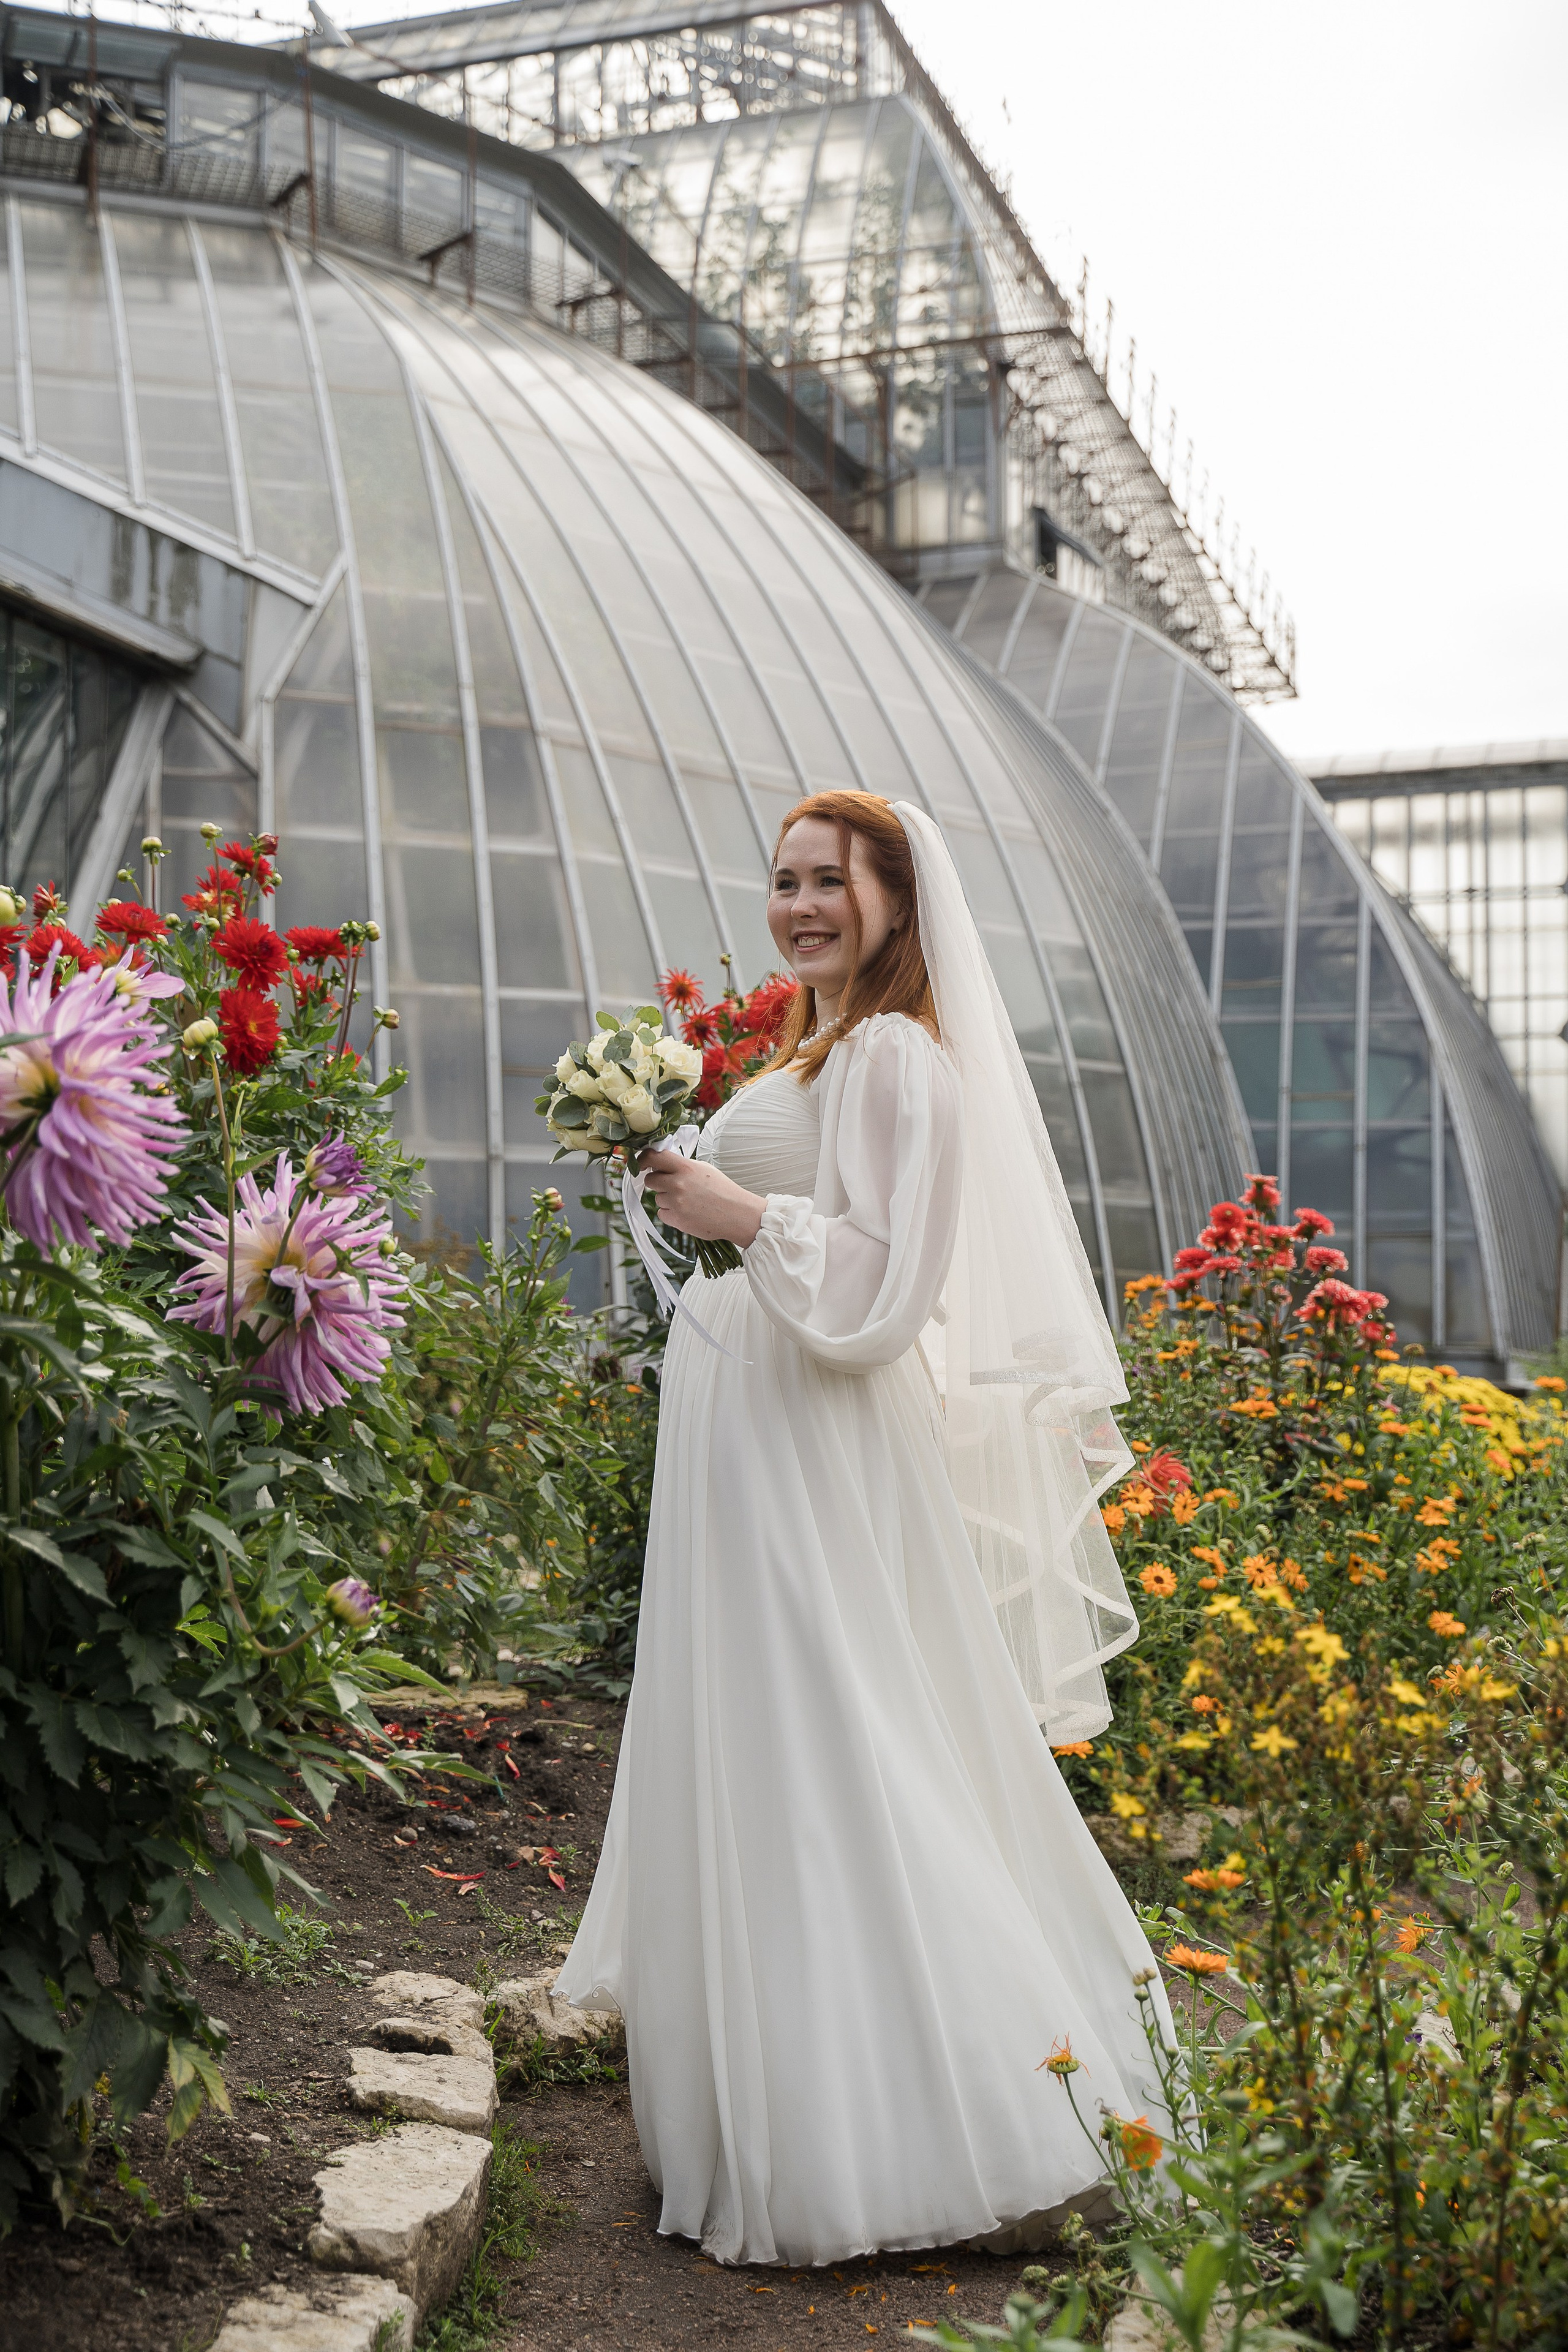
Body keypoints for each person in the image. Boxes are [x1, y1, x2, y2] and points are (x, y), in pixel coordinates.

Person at [556, 791, 1175, 2268]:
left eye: (828, 881)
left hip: (813, 1444)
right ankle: (776, 2101)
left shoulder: (900, 1057)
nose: (799, 905)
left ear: (897, 898)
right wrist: (695, 1197)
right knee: (766, 1754)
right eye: (781, 882)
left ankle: (938, 2122)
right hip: (748, 1437)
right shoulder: (816, 1048)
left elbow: (891, 1294)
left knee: (838, 1746)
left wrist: (738, 1216)